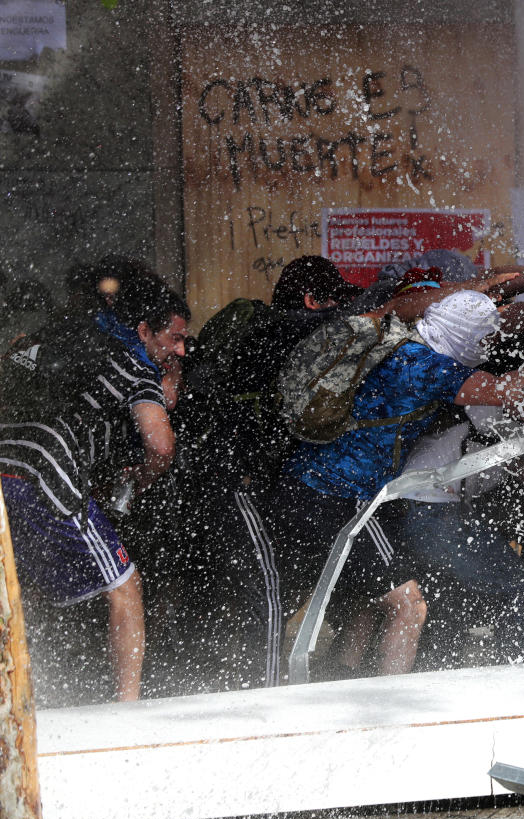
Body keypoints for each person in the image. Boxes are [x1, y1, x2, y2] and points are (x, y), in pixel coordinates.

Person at [268, 290, 524, 679]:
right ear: (466, 335)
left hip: (307, 483)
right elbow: (505, 389)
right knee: (410, 605)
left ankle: (343, 680)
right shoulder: (427, 366)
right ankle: (392, 707)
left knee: (363, 595)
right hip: (341, 495)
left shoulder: (402, 347)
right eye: (485, 338)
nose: (488, 347)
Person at [170, 255, 363, 690]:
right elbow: (334, 324)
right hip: (229, 479)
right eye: (330, 301)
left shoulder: (257, 330)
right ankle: (267, 692)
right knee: (267, 588)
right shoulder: (275, 329)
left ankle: (182, 679)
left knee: (206, 586)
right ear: (313, 301)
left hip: (208, 475)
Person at [0, 261, 188, 701]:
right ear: (143, 330)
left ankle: (21, 700)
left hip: (3, 459)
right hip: (44, 468)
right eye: (174, 338)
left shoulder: (48, 338)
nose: (180, 350)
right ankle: (127, 709)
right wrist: (139, 481)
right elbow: (161, 445)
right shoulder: (133, 365)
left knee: (19, 590)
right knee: (124, 587)